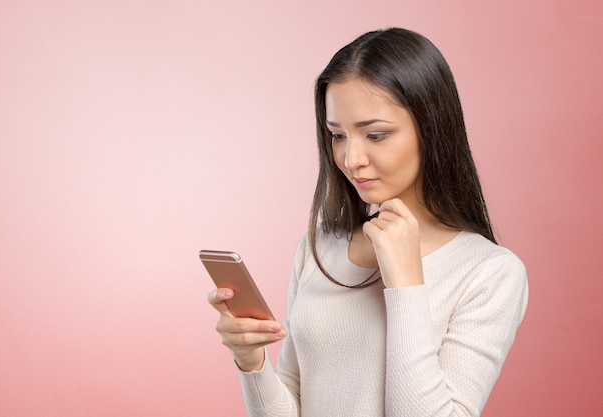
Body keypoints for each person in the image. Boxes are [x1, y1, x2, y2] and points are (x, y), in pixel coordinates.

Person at [208, 27, 528, 417]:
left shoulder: (489, 273)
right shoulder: (320, 248)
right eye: (337, 135)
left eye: (375, 135)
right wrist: (251, 361)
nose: (351, 158)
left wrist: (406, 283)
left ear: (432, 129)